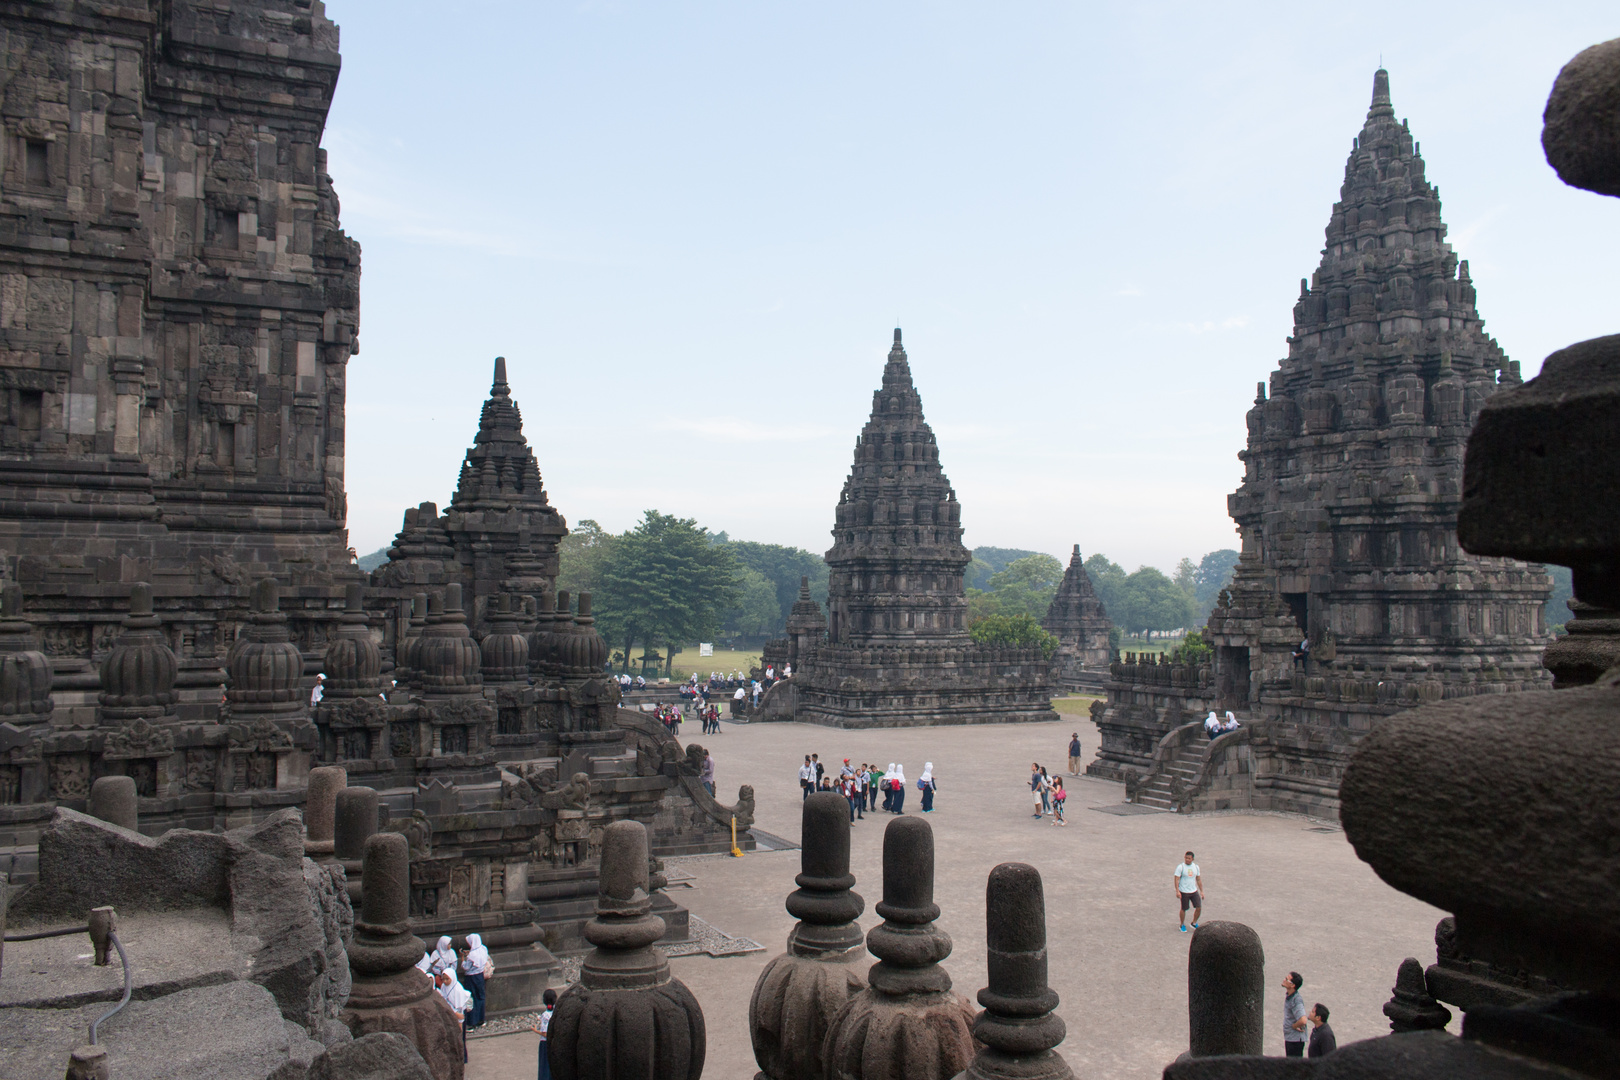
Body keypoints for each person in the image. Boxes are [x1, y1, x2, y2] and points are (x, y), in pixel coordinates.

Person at [434, 969, 472, 1062]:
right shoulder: (444, 986)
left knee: (460, 1038)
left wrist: (460, 1023)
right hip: (449, 1012)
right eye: (444, 979)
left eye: (447, 979)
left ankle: (463, 1058)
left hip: (457, 1014)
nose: (445, 981)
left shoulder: (458, 990)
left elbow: (460, 1010)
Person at [460, 933, 492, 1029]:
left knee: (471, 998)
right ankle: (481, 1019)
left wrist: (462, 958)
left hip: (471, 978)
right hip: (480, 976)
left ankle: (471, 1022)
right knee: (481, 997)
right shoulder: (483, 949)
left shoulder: (472, 955)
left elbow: (466, 967)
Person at [1175, 851, 1203, 932]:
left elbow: (1198, 879)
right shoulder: (1181, 867)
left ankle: (1194, 922)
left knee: (1198, 907)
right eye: (1186, 858)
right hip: (1184, 891)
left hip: (1193, 891)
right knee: (1184, 908)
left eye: (1189, 858)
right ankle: (1182, 924)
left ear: (1192, 859)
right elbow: (1176, 879)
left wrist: (1201, 891)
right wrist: (1177, 891)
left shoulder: (1196, 867)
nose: (1187, 860)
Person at [532, 987, 557, 1080]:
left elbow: (545, 1033)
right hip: (555, 1042)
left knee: (544, 1067)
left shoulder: (545, 1015)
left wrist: (535, 1030)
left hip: (545, 1043)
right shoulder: (556, 1012)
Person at [1282, 972, 1308, 1056]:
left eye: (1287, 979)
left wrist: (1294, 1026)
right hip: (1290, 1038)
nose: (1284, 980)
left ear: (1293, 985)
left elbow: (1303, 1020)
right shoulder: (1290, 996)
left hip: (1295, 1040)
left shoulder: (1296, 1000)